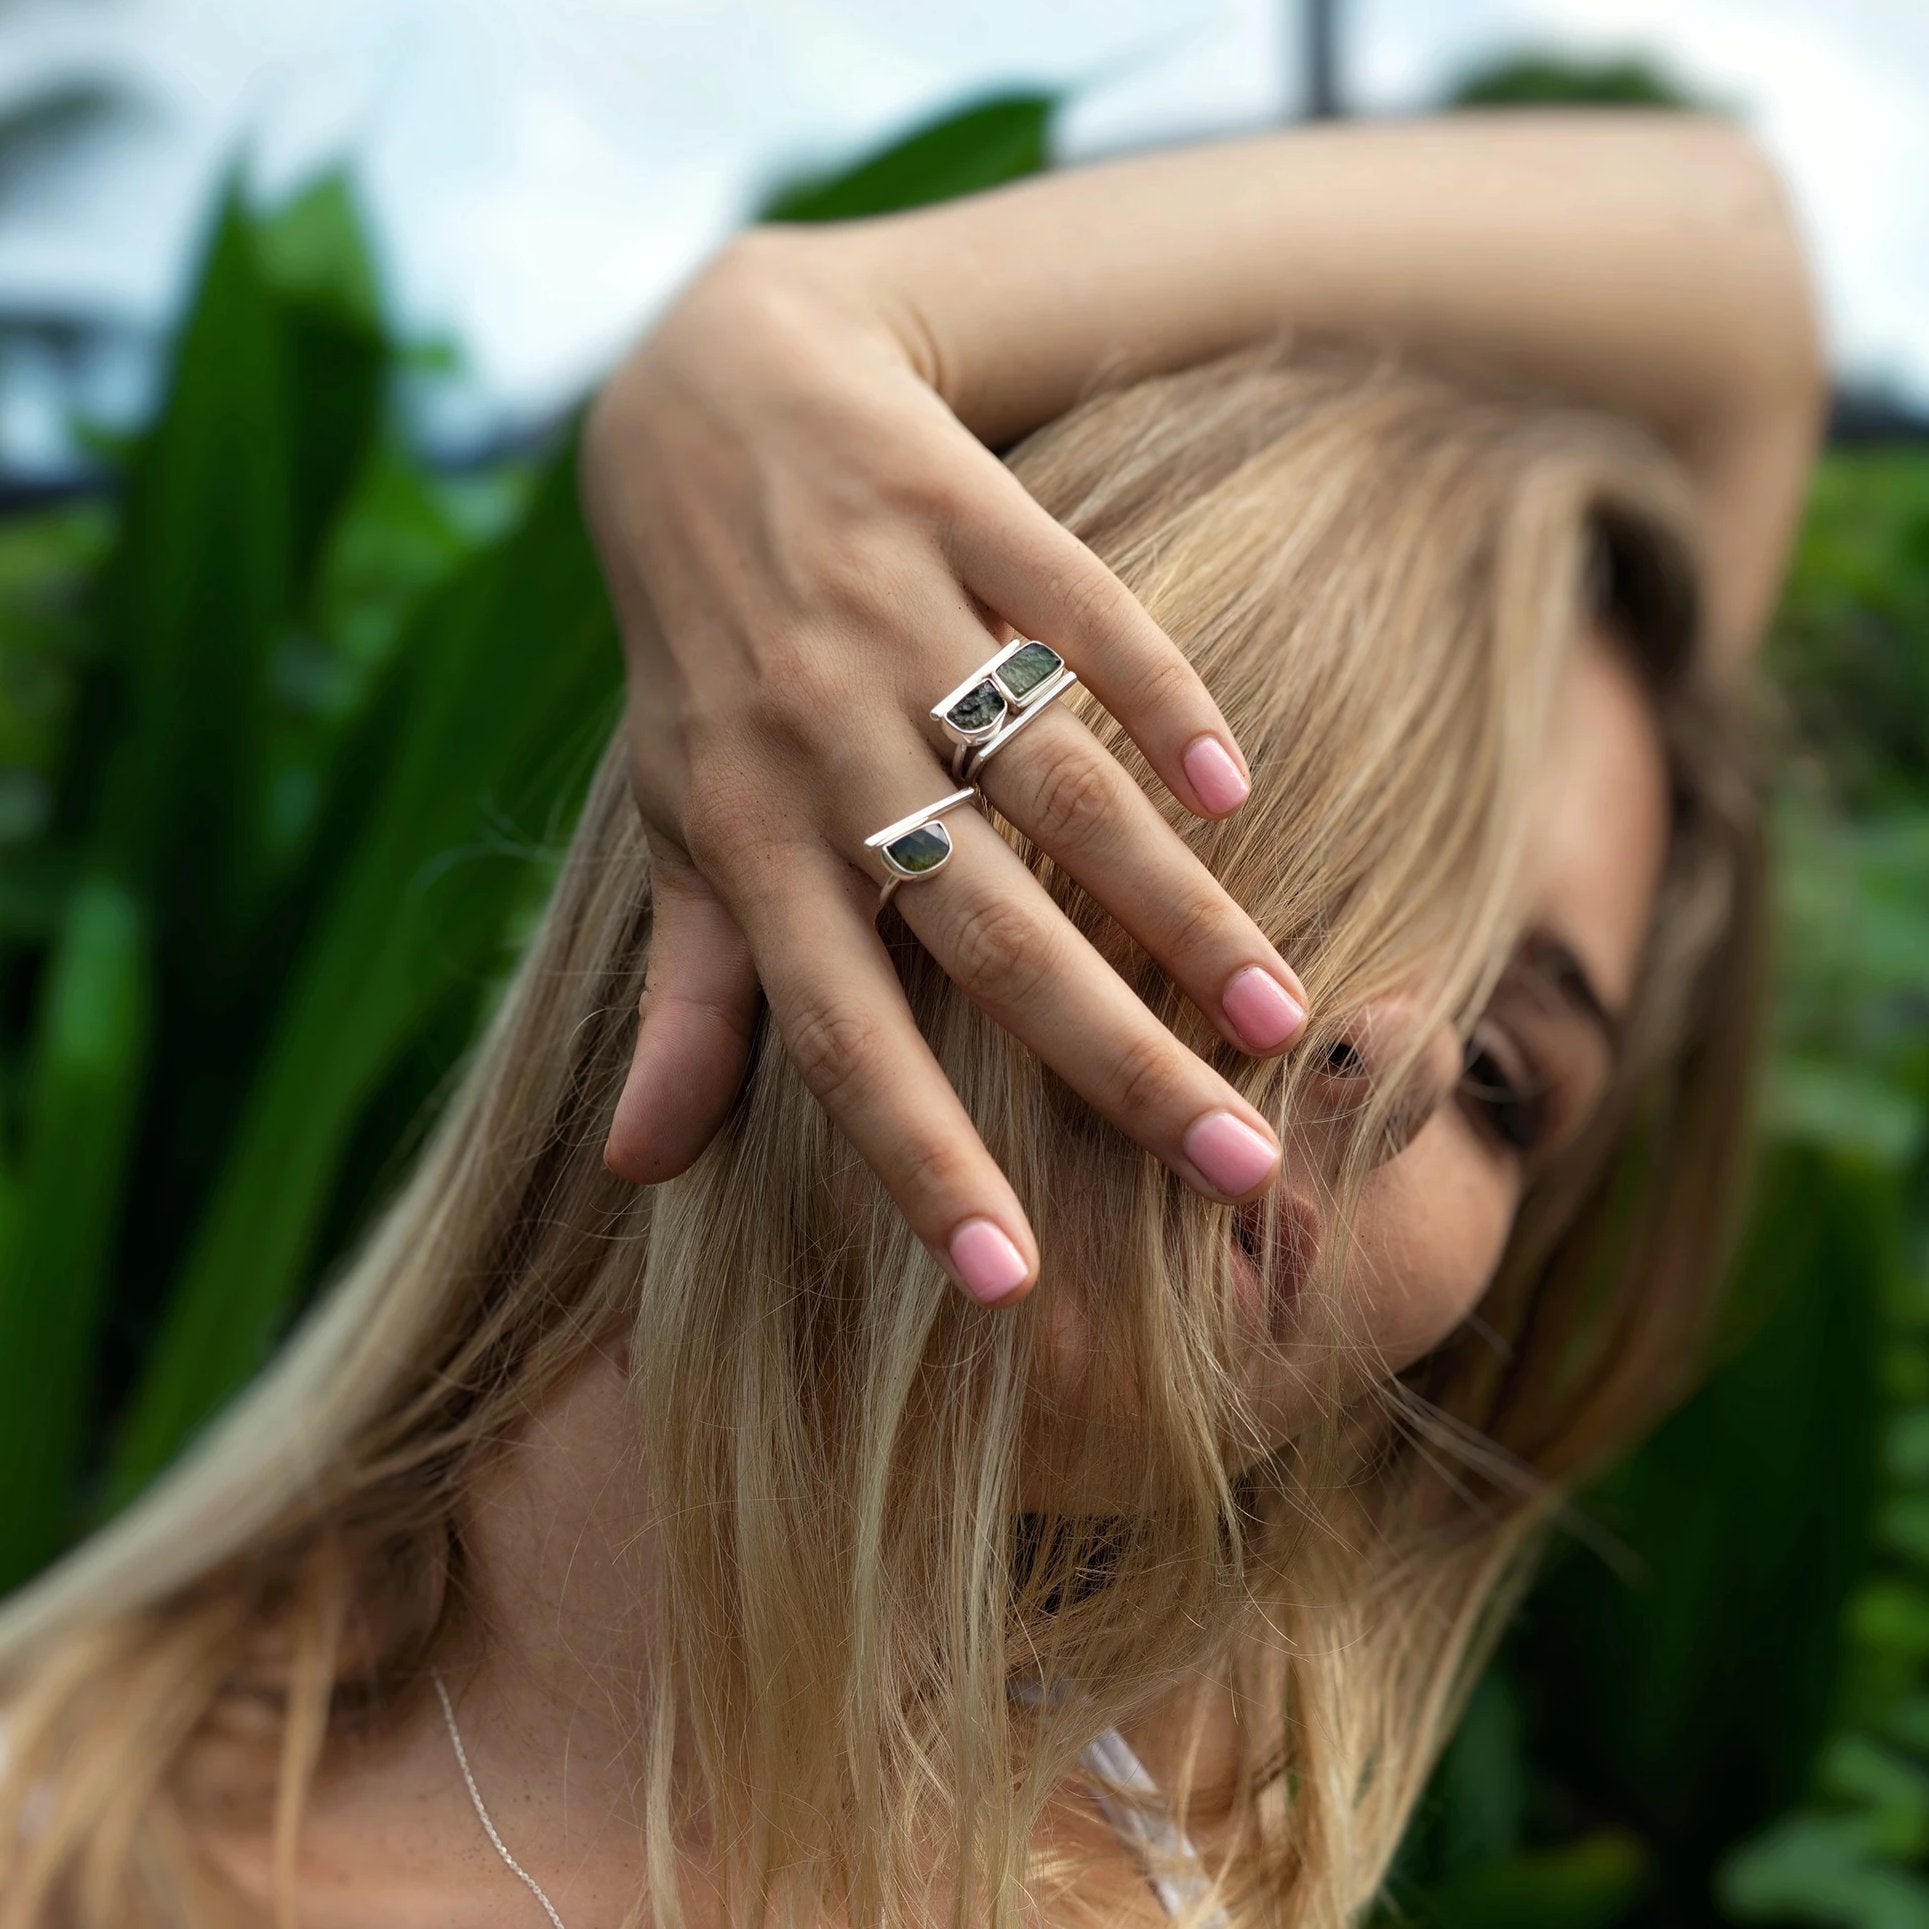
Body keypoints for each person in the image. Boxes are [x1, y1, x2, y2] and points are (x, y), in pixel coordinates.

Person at [0, 113, 1819, 1927]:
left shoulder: (1179, 1773)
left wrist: (802, 319)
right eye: (1302, 827)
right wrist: (763, 360)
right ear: (830, 733)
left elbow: (1736, 266)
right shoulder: (81, 1849)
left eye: (1513, 1081)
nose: (1403, 1061)